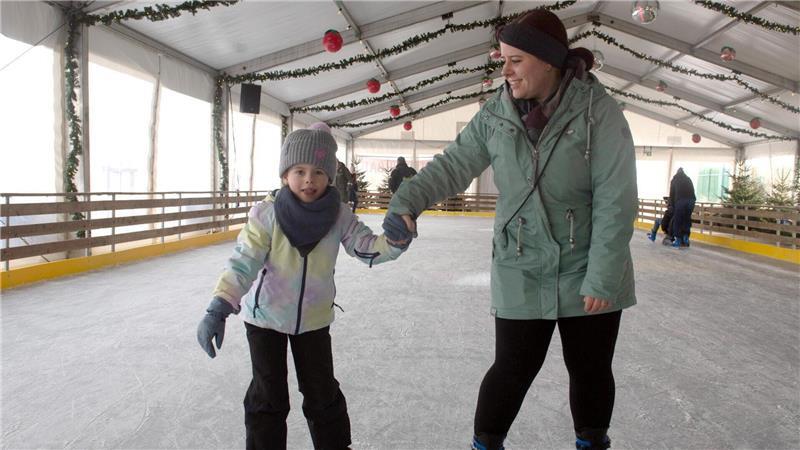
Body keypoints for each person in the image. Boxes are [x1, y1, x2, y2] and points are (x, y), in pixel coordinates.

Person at [381, 8, 637, 450]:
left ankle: (591, 443)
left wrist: (604, 274)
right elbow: (453, 166)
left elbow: (617, 198)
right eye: (503, 59)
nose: (506, 70)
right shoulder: (496, 114)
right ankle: (485, 445)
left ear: (547, 61)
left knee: (591, 368)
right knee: (513, 368)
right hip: (522, 259)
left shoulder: (599, 112)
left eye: (516, 60)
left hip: (587, 262)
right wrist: (406, 201)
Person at [197, 124, 408, 449]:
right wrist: (220, 305)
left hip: (313, 320)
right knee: (268, 396)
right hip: (265, 319)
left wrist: (393, 241)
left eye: (318, 172)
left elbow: (365, 246)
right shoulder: (267, 214)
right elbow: (244, 261)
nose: (309, 179)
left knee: (322, 392)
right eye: (299, 171)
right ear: (285, 175)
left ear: (330, 176)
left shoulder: (338, 215)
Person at [668, 167, 696, 248]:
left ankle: (678, 240)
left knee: (678, 220)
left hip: (681, 201)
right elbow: (692, 191)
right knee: (687, 219)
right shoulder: (688, 179)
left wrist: (671, 206)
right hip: (691, 201)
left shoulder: (674, 180)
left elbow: (672, 194)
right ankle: (686, 237)